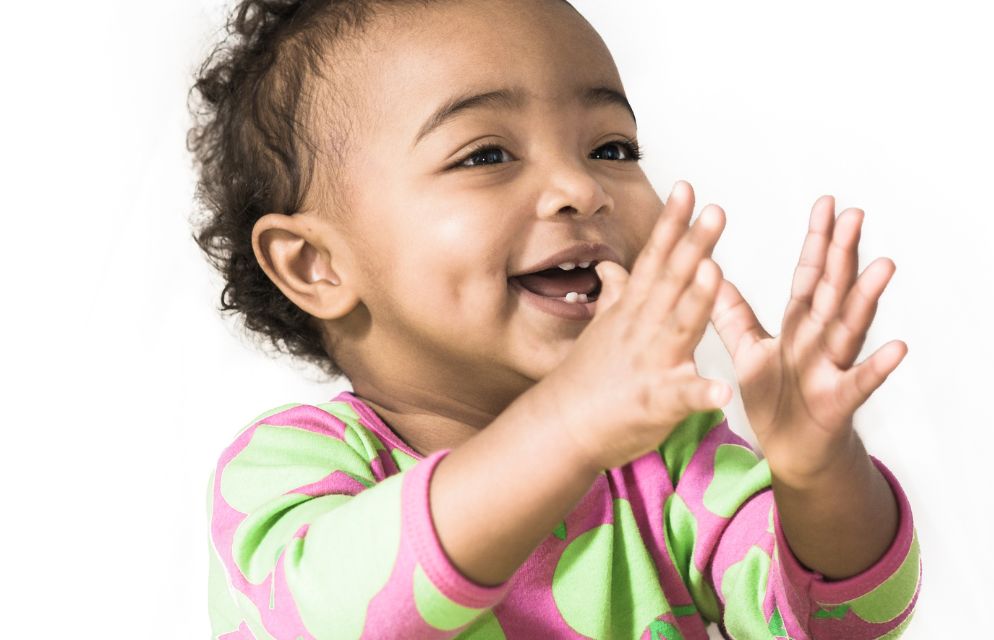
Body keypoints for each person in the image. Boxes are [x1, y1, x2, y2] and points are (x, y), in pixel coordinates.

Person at [190, 1, 921, 637]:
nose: (581, 187)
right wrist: (565, 429)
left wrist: (819, 475)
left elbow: (833, 622)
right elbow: (333, 617)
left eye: (612, 148)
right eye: (485, 154)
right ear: (314, 263)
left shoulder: (666, 461)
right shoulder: (290, 468)